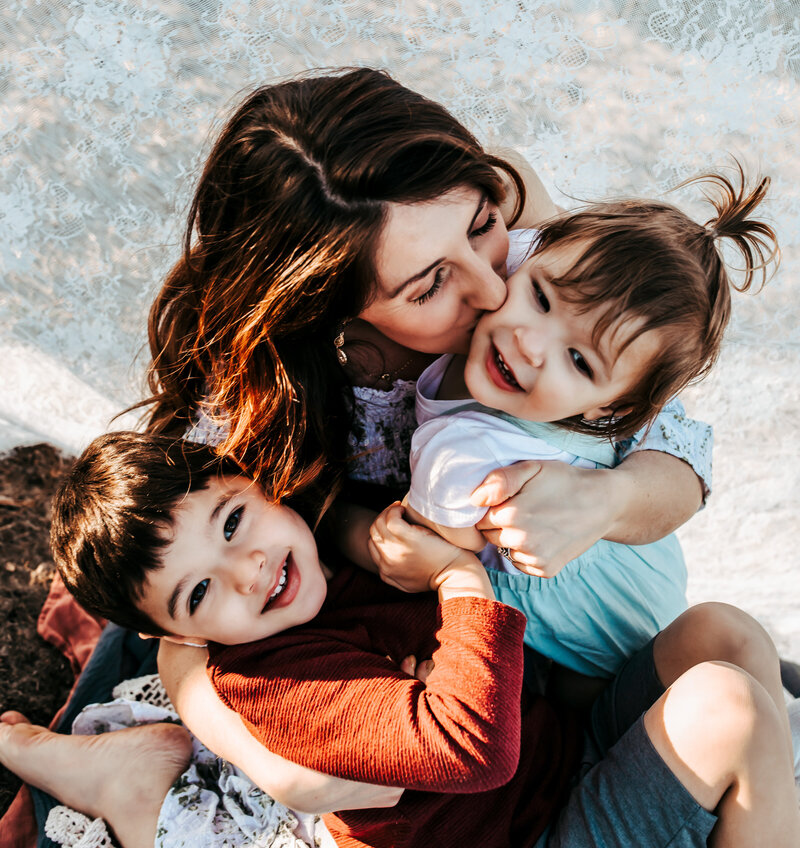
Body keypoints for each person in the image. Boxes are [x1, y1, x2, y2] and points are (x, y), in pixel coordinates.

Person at [144, 68, 714, 802]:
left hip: (567, 611)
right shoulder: (242, 396)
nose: (494, 288)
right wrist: (264, 762)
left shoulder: (509, 217)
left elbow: (675, 433)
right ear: (324, 309)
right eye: (428, 286)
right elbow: (175, 611)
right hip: (414, 640)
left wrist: (606, 499)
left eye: (482, 229)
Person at [3, 431, 798, 848]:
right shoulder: (278, 681)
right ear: (173, 633)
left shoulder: (323, 552)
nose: (249, 571)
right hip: (522, 836)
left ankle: (774, 811)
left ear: (256, 481)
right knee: (725, 708)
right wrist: (458, 581)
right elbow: (473, 748)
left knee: (718, 633)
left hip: (560, 766)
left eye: (235, 522)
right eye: (201, 592)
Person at [396, 167, 777, 680]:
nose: (530, 345)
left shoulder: (465, 457)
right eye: (540, 298)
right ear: (527, 255)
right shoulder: (514, 248)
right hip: (641, 602)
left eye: (578, 362)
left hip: (608, 646)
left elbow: (414, 541)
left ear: (612, 411)